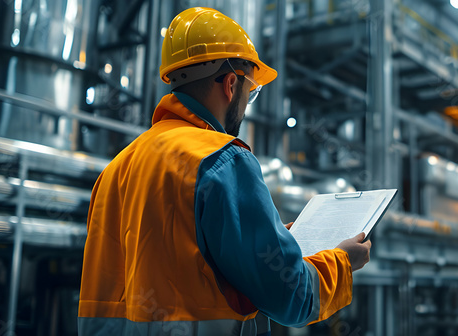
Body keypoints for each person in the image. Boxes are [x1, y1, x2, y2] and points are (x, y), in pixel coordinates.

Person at [78, 7, 371, 336]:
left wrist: (277, 240)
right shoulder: (223, 160)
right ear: (231, 85)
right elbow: (293, 297)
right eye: (251, 92)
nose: (247, 104)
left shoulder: (117, 168)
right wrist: (342, 262)